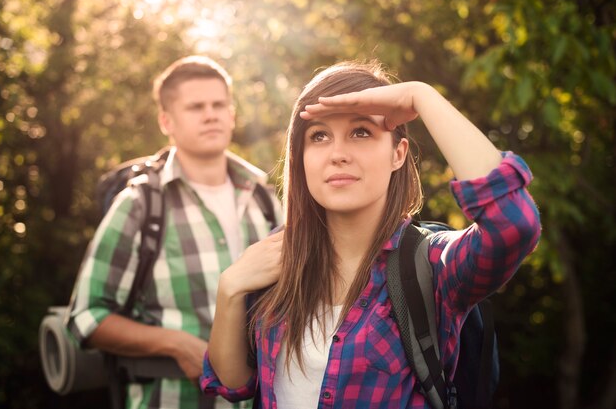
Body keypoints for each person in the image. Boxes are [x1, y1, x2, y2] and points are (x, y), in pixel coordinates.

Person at [200, 61, 541, 408]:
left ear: (398, 154)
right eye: (319, 136)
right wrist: (230, 290)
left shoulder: (432, 267)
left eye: (360, 132)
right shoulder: (280, 252)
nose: (338, 154)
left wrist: (420, 95)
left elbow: (513, 224)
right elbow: (234, 384)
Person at [67, 55, 281, 409]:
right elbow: (86, 317)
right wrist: (176, 344)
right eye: (195, 106)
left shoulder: (264, 198)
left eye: (219, 104)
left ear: (232, 114)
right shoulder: (139, 204)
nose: (211, 114)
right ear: (167, 121)